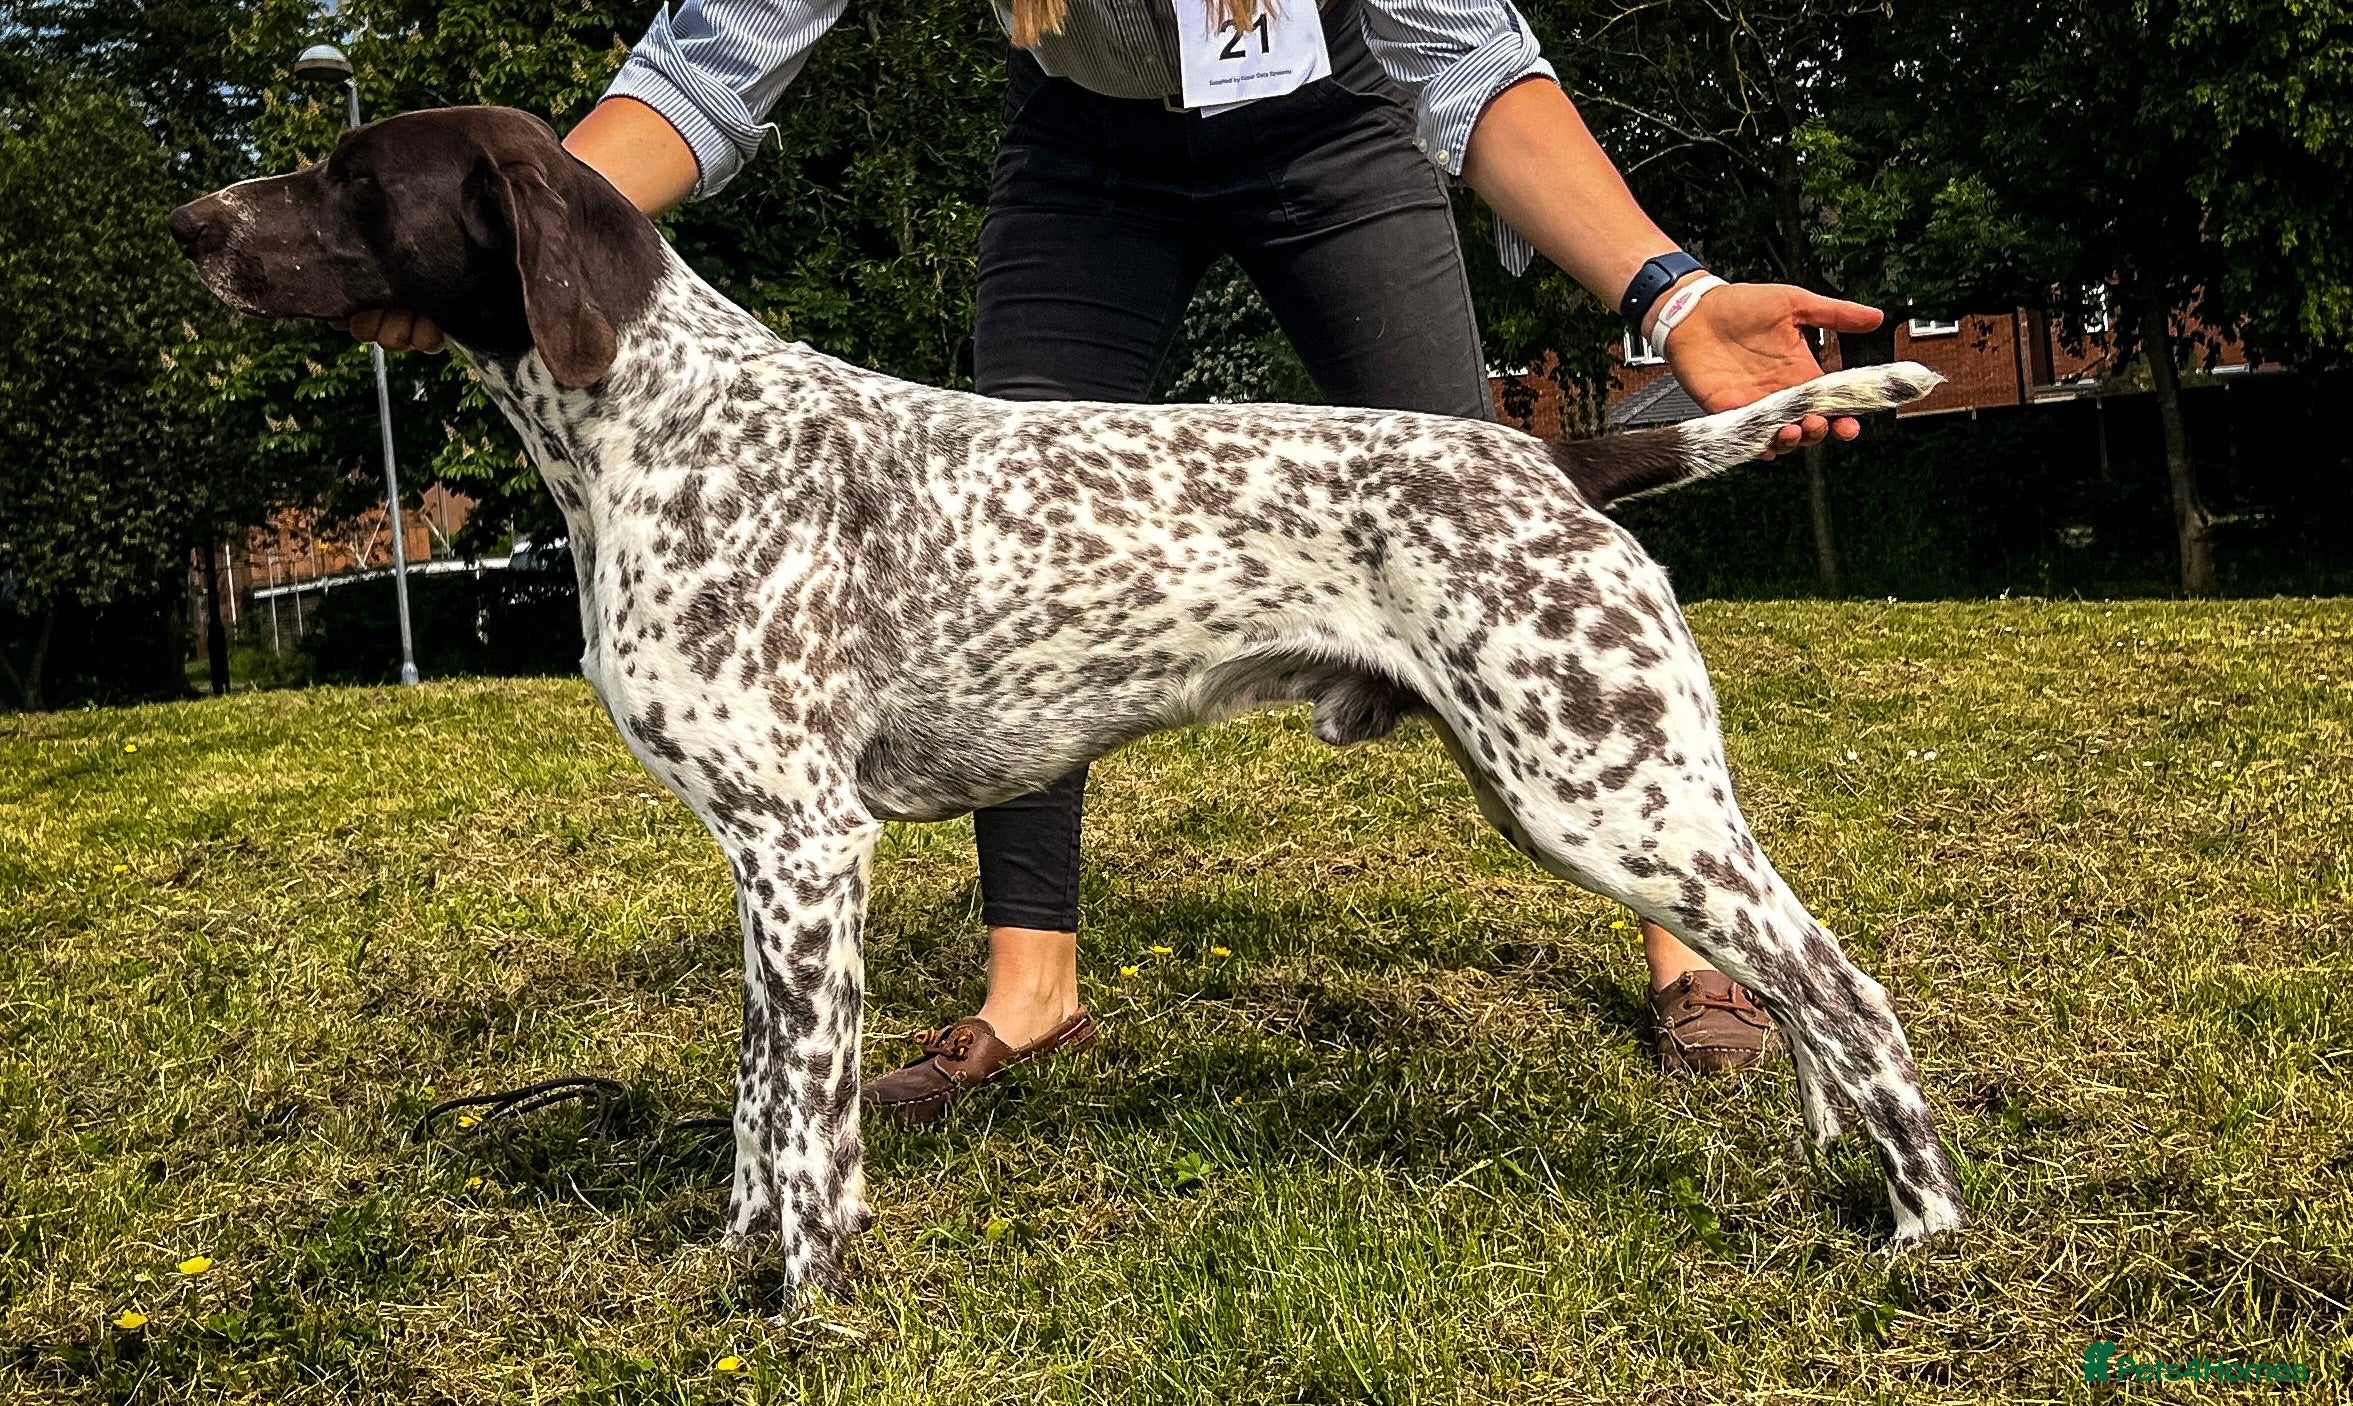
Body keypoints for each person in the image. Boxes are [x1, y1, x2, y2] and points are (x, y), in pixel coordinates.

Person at [347, 0, 1877, 1115]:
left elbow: (1471, 65)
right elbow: (704, 64)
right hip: (1083, 157)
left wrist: (1673, 299)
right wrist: (501, 240)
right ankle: (1033, 989)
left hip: (1338, 135)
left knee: (1480, 514)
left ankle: (1692, 951)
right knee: (993, 565)